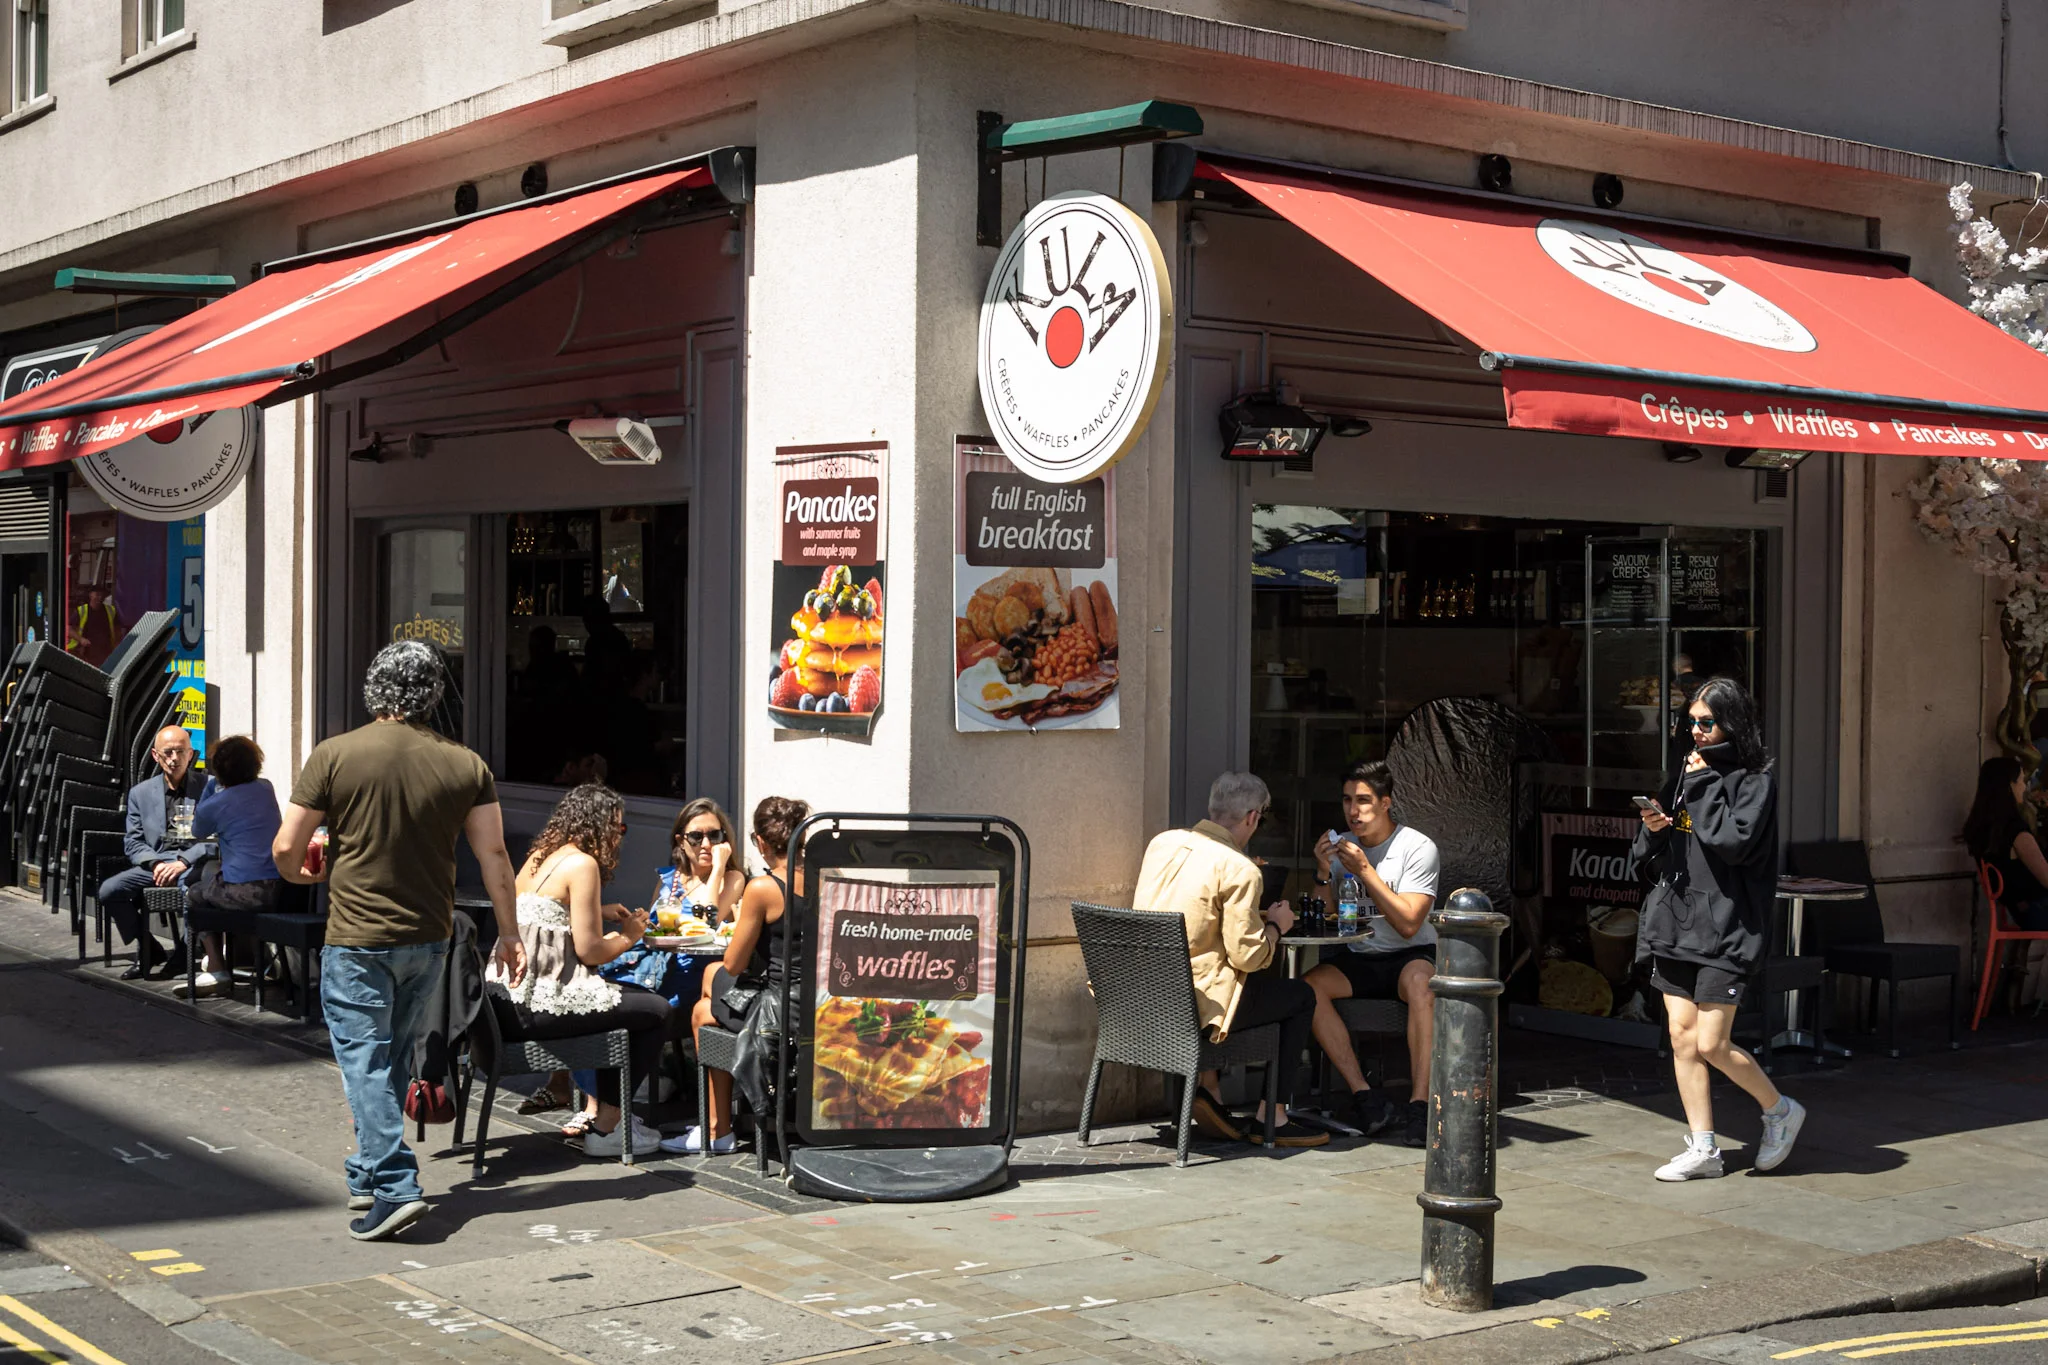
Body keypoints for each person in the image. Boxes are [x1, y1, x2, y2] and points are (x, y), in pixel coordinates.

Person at [273, 641, 523, 1242]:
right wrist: (509, 933)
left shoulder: (335, 754)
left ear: (374, 688)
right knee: (389, 1057)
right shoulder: (466, 764)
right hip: (429, 938)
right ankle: (366, 1170)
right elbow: (494, 855)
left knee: (362, 1060)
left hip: (358, 936)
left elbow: (286, 848)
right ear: (435, 693)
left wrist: (303, 874)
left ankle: (394, 1185)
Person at [1632, 676, 1804, 1181]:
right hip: (1676, 917)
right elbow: (1653, 856)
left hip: (1728, 926)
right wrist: (1652, 831)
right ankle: (1704, 1148)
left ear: (1733, 721)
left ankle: (1779, 1110)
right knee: (1682, 1038)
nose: (1697, 734)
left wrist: (1703, 784)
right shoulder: (1685, 775)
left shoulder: (1754, 782)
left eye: (1706, 723)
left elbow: (1732, 843)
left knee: (1711, 1042)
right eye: (1691, 725)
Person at [1131, 772, 1326, 1149]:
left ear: (1212, 807)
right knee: (1299, 996)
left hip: (1140, 998)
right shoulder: (1240, 869)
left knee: (1218, 972)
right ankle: (1274, 1114)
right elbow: (1249, 958)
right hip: (1195, 1008)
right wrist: (1277, 926)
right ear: (1253, 817)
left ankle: (1210, 1094)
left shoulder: (1162, 843)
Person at [487, 783, 670, 1158]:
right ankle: (607, 1128)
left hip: (503, 1002)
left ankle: (606, 1116)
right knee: (657, 1011)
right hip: (539, 1009)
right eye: (619, 828)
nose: (620, 838)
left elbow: (545, 917)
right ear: (598, 825)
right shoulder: (583, 864)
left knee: (621, 1006)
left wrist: (598, 910)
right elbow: (590, 952)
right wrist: (629, 935)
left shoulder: (541, 855)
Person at [1301, 760, 1440, 1147]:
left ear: (1385, 803)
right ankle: (1365, 1096)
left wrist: (1365, 872)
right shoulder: (1342, 845)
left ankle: (1420, 1104)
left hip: (1407, 954)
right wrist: (1323, 870)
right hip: (1358, 956)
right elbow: (1321, 918)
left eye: (1363, 801)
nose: (1353, 810)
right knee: (1306, 989)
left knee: (1422, 985)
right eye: (1347, 800)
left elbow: (1410, 923)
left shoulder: (1416, 848)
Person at [667, 795, 810, 1154]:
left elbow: (734, 963)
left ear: (761, 842)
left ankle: (718, 1128)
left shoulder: (764, 887)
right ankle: (719, 1125)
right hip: (816, 998)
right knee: (711, 979)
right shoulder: (827, 877)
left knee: (703, 1011)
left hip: (783, 1007)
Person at [98, 725, 213, 981]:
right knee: (109, 890)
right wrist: (156, 864)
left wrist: (184, 861)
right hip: (157, 861)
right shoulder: (140, 793)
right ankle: (149, 947)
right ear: (155, 756)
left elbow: (218, 838)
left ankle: (185, 953)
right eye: (168, 752)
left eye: (181, 752)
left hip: (196, 862)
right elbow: (133, 841)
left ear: (191, 753)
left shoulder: (209, 787)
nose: (174, 759)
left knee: (190, 887)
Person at [179, 735, 285, 998]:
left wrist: (211, 783)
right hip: (280, 889)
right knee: (212, 876)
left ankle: (216, 967)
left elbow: (197, 829)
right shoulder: (266, 788)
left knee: (193, 893)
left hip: (243, 894)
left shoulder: (214, 804)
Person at [1963, 755, 2048, 930]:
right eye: (2021, 781)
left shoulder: (1983, 828)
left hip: (2021, 911)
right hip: (2037, 911)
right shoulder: (2016, 831)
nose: (2024, 787)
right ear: (2010, 785)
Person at [660, 798, 747, 923]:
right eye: (695, 836)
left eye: (714, 835)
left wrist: (718, 870)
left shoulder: (732, 879)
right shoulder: (670, 877)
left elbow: (708, 921)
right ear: (681, 842)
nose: (706, 844)